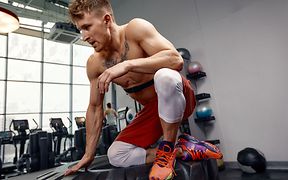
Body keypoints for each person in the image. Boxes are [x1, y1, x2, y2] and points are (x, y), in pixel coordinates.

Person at [65, 0, 223, 179]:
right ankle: (181, 149)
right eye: (80, 30)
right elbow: (95, 108)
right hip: (152, 113)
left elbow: (175, 59)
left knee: (165, 76)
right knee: (116, 154)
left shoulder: (135, 29)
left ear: (106, 20)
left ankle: (166, 152)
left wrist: (128, 65)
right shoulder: (94, 63)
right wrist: (88, 155)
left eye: (87, 27)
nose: (84, 36)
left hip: (179, 97)